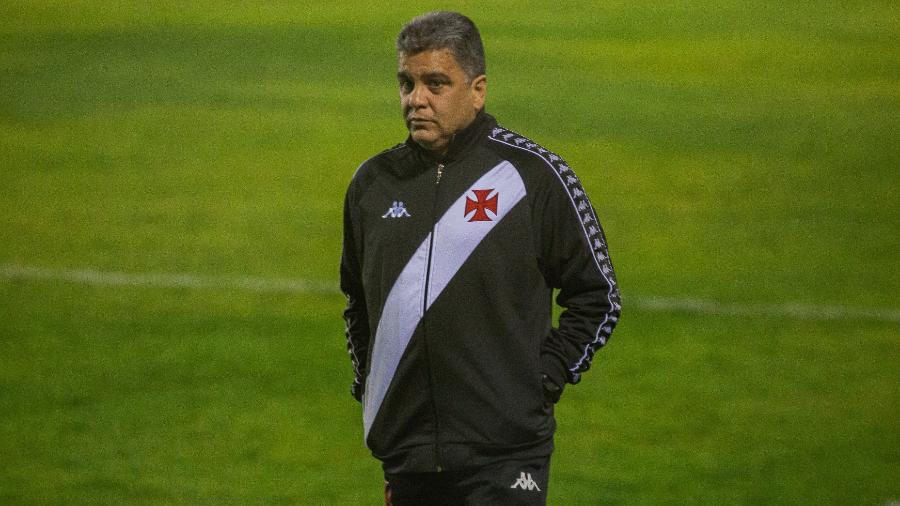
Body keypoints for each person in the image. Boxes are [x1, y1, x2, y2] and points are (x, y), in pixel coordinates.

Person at [340, 11, 621, 505]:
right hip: (408, 454)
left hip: (505, 454)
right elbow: (358, 305)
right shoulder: (372, 185)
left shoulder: (532, 177)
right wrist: (374, 390)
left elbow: (598, 296)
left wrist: (539, 380)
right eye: (406, 83)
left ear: (478, 89)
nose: (416, 99)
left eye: (435, 83)